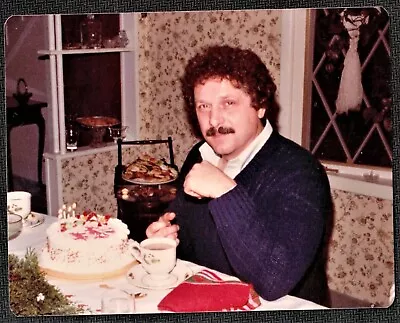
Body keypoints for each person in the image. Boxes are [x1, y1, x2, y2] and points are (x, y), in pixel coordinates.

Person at [146, 45, 333, 307]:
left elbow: (273, 280)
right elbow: (200, 246)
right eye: (203, 106)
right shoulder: (199, 157)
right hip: (209, 300)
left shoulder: (300, 172)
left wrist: (226, 192)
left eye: (229, 103)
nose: (213, 119)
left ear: (260, 106)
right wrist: (169, 240)